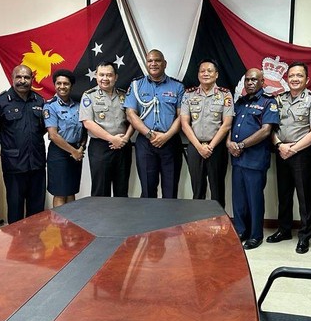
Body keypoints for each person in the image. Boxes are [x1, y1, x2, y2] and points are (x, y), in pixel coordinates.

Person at [267, 62, 311, 254]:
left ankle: (304, 236)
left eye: (299, 76)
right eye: (291, 76)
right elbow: (271, 128)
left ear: (307, 80)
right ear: (286, 78)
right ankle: (284, 230)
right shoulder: (278, 100)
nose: (294, 79)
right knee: (283, 194)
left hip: (302, 153)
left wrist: (293, 149)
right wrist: (279, 145)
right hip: (281, 150)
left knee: (304, 197)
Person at [227, 68, 280, 250]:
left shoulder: (268, 102)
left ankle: (255, 234)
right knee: (239, 199)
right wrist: (229, 143)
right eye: (247, 80)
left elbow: (266, 130)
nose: (250, 83)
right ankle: (241, 231)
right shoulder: (239, 103)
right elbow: (229, 126)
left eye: (254, 80)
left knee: (254, 199)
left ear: (262, 82)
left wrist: (241, 145)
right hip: (237, 159)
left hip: (255, 160)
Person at [124, 49, 184, 198]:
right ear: (146, 63)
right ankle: (149, 222)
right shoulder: (136, 85)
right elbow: (131, 114)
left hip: (170, 142)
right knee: (148, 189)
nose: (153, 64)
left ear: (164, 64)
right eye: (150, 61)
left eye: (157, 60)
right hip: (145, 143)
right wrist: (149, 134)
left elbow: (182, 116)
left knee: (170, 191)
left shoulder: (177, 87)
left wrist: (166, 136)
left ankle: (170, 222)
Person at [0, 64, 46, 224]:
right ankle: (17, 246)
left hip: (37, 162)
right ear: (12, 78)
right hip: (14, 164)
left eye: (27, 77)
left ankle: (35, 245)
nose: (23, 81)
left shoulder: (39, 100)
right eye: (19, 77)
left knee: (37, 210)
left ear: (32, 79)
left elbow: (41, 129)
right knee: (15, 208)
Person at [181, 59, 233, 208]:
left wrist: (210, 146)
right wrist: (199, 147)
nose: (206, 74)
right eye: (202, 71)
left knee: (217, 190)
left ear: (216, 74)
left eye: (209, 71)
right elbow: (184, 123)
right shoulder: (189, 95)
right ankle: (198, 225)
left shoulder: (225, 95)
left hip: (216, 148)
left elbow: (227, 124)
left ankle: (220, 227)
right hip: (195, 147)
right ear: (198, 74)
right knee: (197, 190)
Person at [79, 62, 133, 197]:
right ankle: (100, 219)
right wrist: (112, 139)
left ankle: (121, 218)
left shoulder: (124, 95)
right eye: (101, 75)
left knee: (122, 189)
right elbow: (88, 123)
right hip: (100, 147)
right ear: (96, 76)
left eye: (109, 75)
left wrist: (125, 138)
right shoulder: (88, 96)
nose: (105, 78)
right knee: (101, 190)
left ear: (116, 77)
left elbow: (133, 119)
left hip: (123, 146)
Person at [43, 69, 87, 206]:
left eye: (66, 84)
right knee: (60, 192)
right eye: (59, 83)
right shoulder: (50, 106)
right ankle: (59, 227)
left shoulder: (78, 105)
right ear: (55, 85)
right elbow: (53, 135)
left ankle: (70, 226)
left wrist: (80, 148)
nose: (62, 87)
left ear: (71, 86)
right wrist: (73, 151)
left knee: (71, 190)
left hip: (76, 152)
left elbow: (83, 130)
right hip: (59, 153)